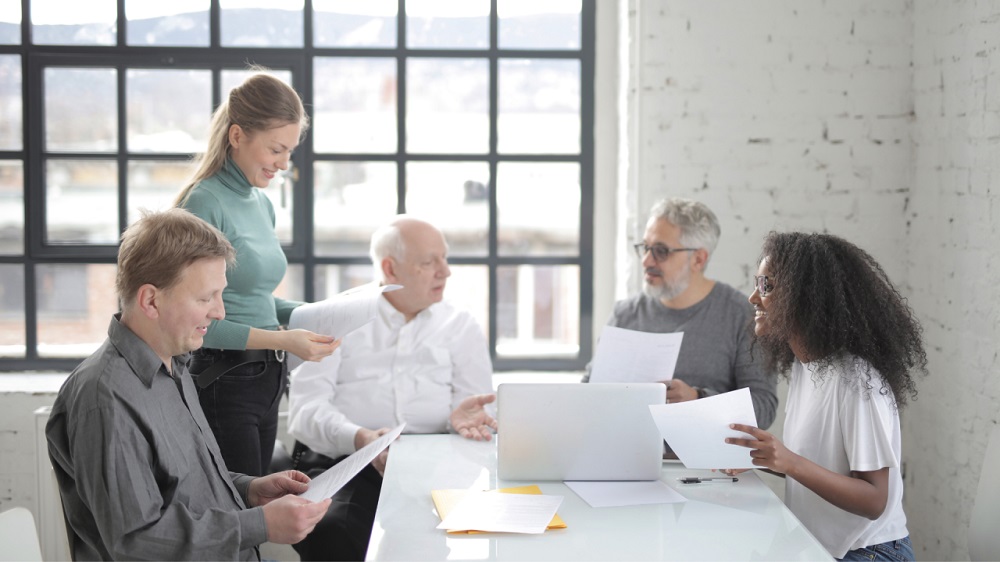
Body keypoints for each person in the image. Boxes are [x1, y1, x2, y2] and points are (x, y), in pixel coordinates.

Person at [45, 209, 332, 561]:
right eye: (205, 298)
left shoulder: (176, 366)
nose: (220, 313)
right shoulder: (104, 398)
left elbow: (181, 486)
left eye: (220, 295)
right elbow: (136, 541)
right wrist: (258, 526)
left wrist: (249, 490)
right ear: (151, 300)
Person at [287, 215, 496, 561]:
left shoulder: (461, 325)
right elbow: (305, 412)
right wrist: (362, 438)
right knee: (331, 530)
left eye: (444, 258)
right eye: (429, 262)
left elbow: (475, 409)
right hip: (347, 462)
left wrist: (457, 419)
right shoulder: (334, 317)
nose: (445, 272)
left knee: (448, 538)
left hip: (434, 464)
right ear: (390, 268)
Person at [175, 71, 339, 476]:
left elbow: (256, 301)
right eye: (275, 150)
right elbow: (198, 323)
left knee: (258, 514)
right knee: (242, 519)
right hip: (225, 379)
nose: (284, 164)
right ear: (236, 137)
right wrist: (284, 338)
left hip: (267, 379)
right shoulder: (204, 204)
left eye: (290, 152)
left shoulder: (260, 204)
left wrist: (321, 313)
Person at [725, 232, 926, 561]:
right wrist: (758, 455)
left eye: (766, 285)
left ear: (804, 297)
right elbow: (815, 466)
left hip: (870, 554)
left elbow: (875, 499)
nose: (753, 298)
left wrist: (788, 460)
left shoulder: (857, 380)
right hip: (822, 547)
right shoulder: (807, 368)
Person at [586, 197, 777, 429]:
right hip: (626, 456)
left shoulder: (741, 315)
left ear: (698, 259)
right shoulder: (624, 315)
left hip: (707, 463)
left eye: (660, 251)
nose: (647, 260)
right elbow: (587, 391)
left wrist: (698, 399)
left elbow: (764, 409)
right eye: (645, 247)